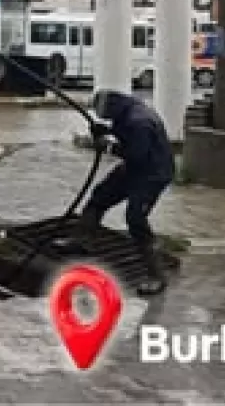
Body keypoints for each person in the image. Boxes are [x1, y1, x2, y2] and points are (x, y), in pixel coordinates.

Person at [82, 89, 176, 294]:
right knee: (100, 196)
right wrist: (106, 131)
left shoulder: (139, 121)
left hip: (153, 174)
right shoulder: (126, 112)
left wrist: (106, 146)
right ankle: (84, 241)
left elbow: (136, 154)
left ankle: (156, 275)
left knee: (135, 218)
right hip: (134, 169)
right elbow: (125, 138)